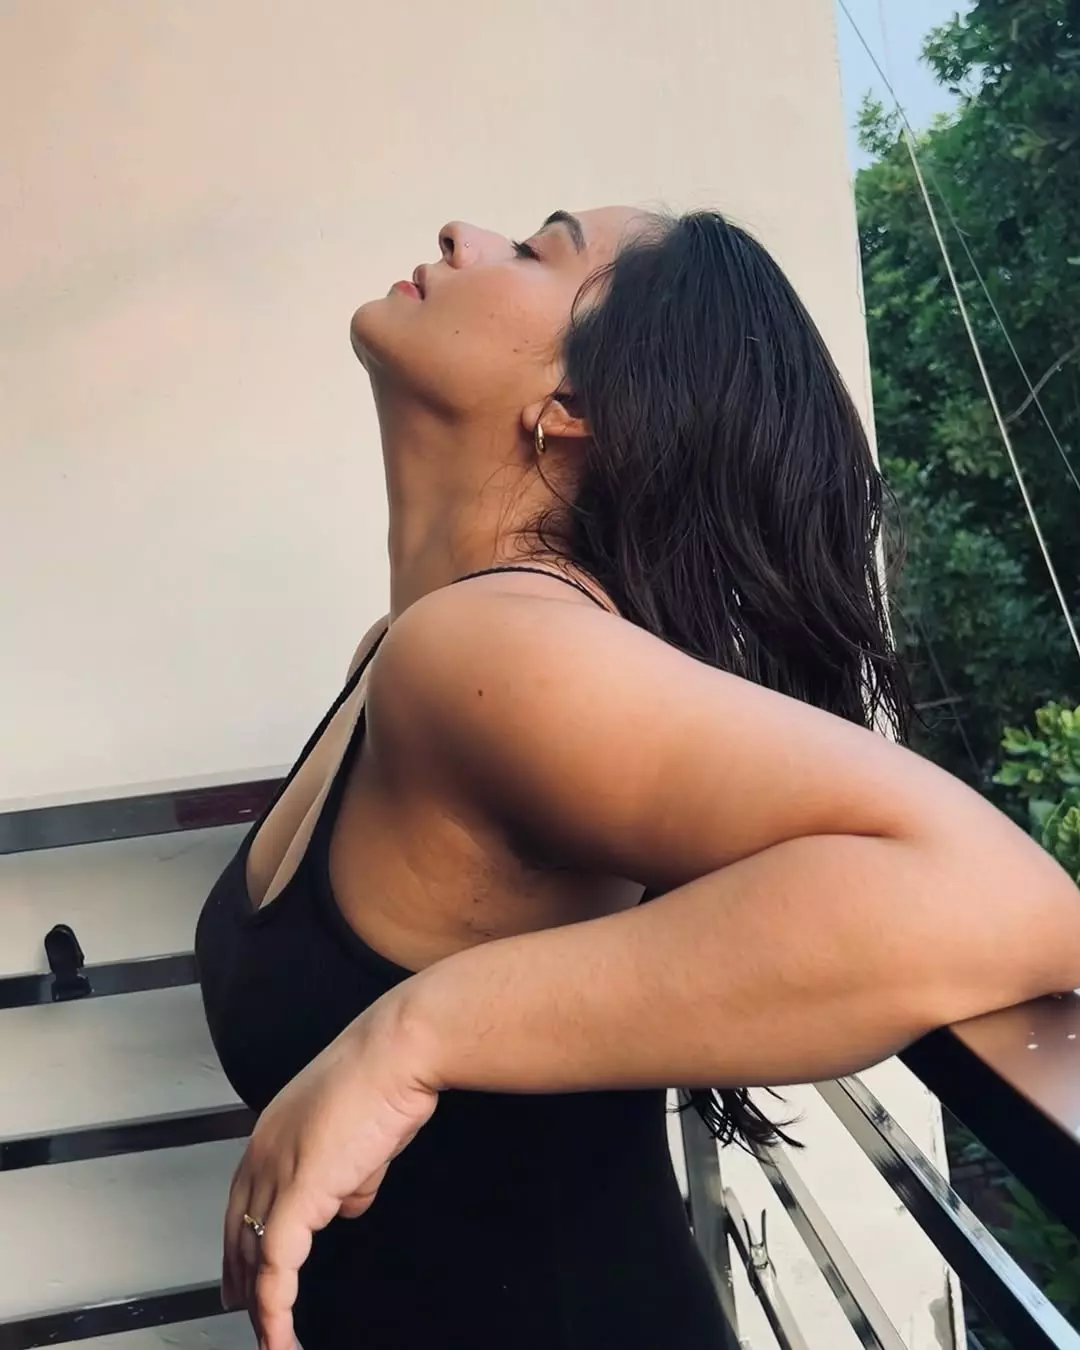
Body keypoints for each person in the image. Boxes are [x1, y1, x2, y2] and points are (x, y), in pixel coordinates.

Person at [195, 206, 1080, 1350]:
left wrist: (415, 1033)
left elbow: (1016, 905)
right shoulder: (406, 653)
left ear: (576, 407)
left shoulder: (485, 652)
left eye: (536, 251)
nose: (463, 234)